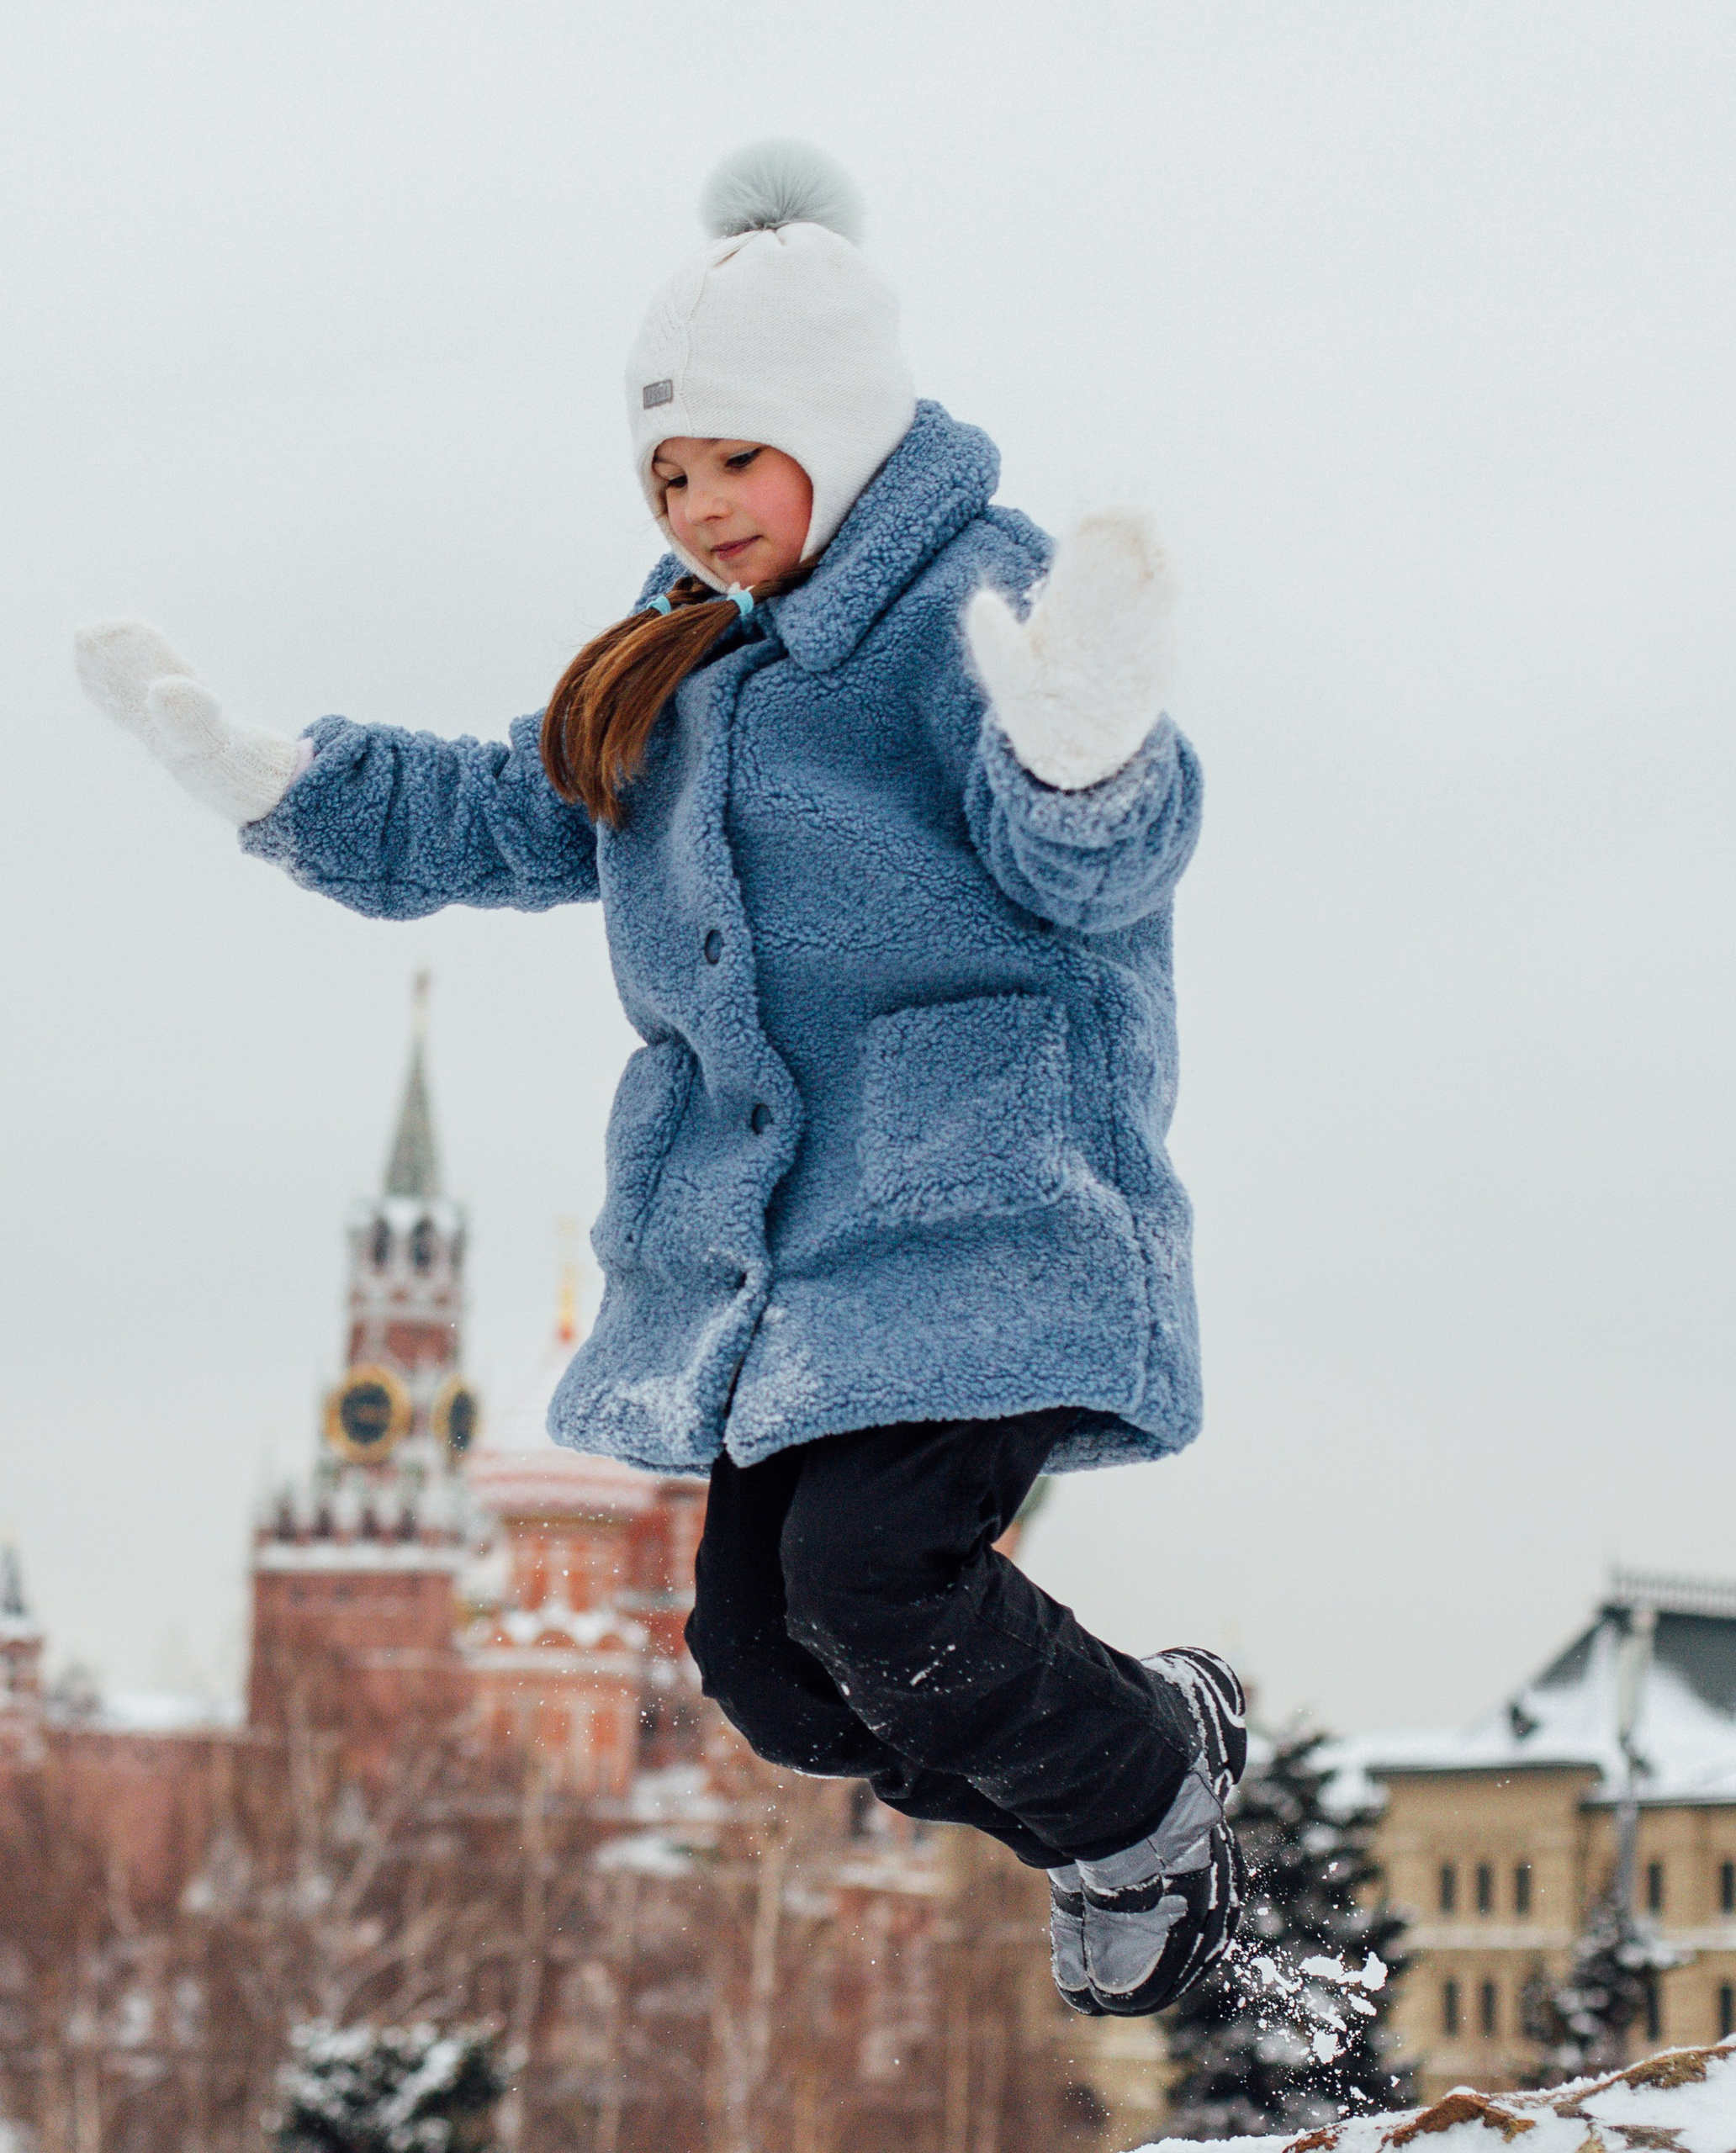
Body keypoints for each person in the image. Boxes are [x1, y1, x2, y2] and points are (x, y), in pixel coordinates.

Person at [72, 140, 1243, 2018]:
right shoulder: (669, 667)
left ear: (842, 443)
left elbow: (1090, 858)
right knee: (761, 1667)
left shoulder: (968, 600)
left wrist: (1090, 750)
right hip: (785, 1272)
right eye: (667, 474)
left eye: (733, 464)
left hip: (985, 1216)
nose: (699, 507)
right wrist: (280, 785)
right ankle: (1135, 1760)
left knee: (878, 1582)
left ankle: (1141, 1793)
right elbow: (495, 804)